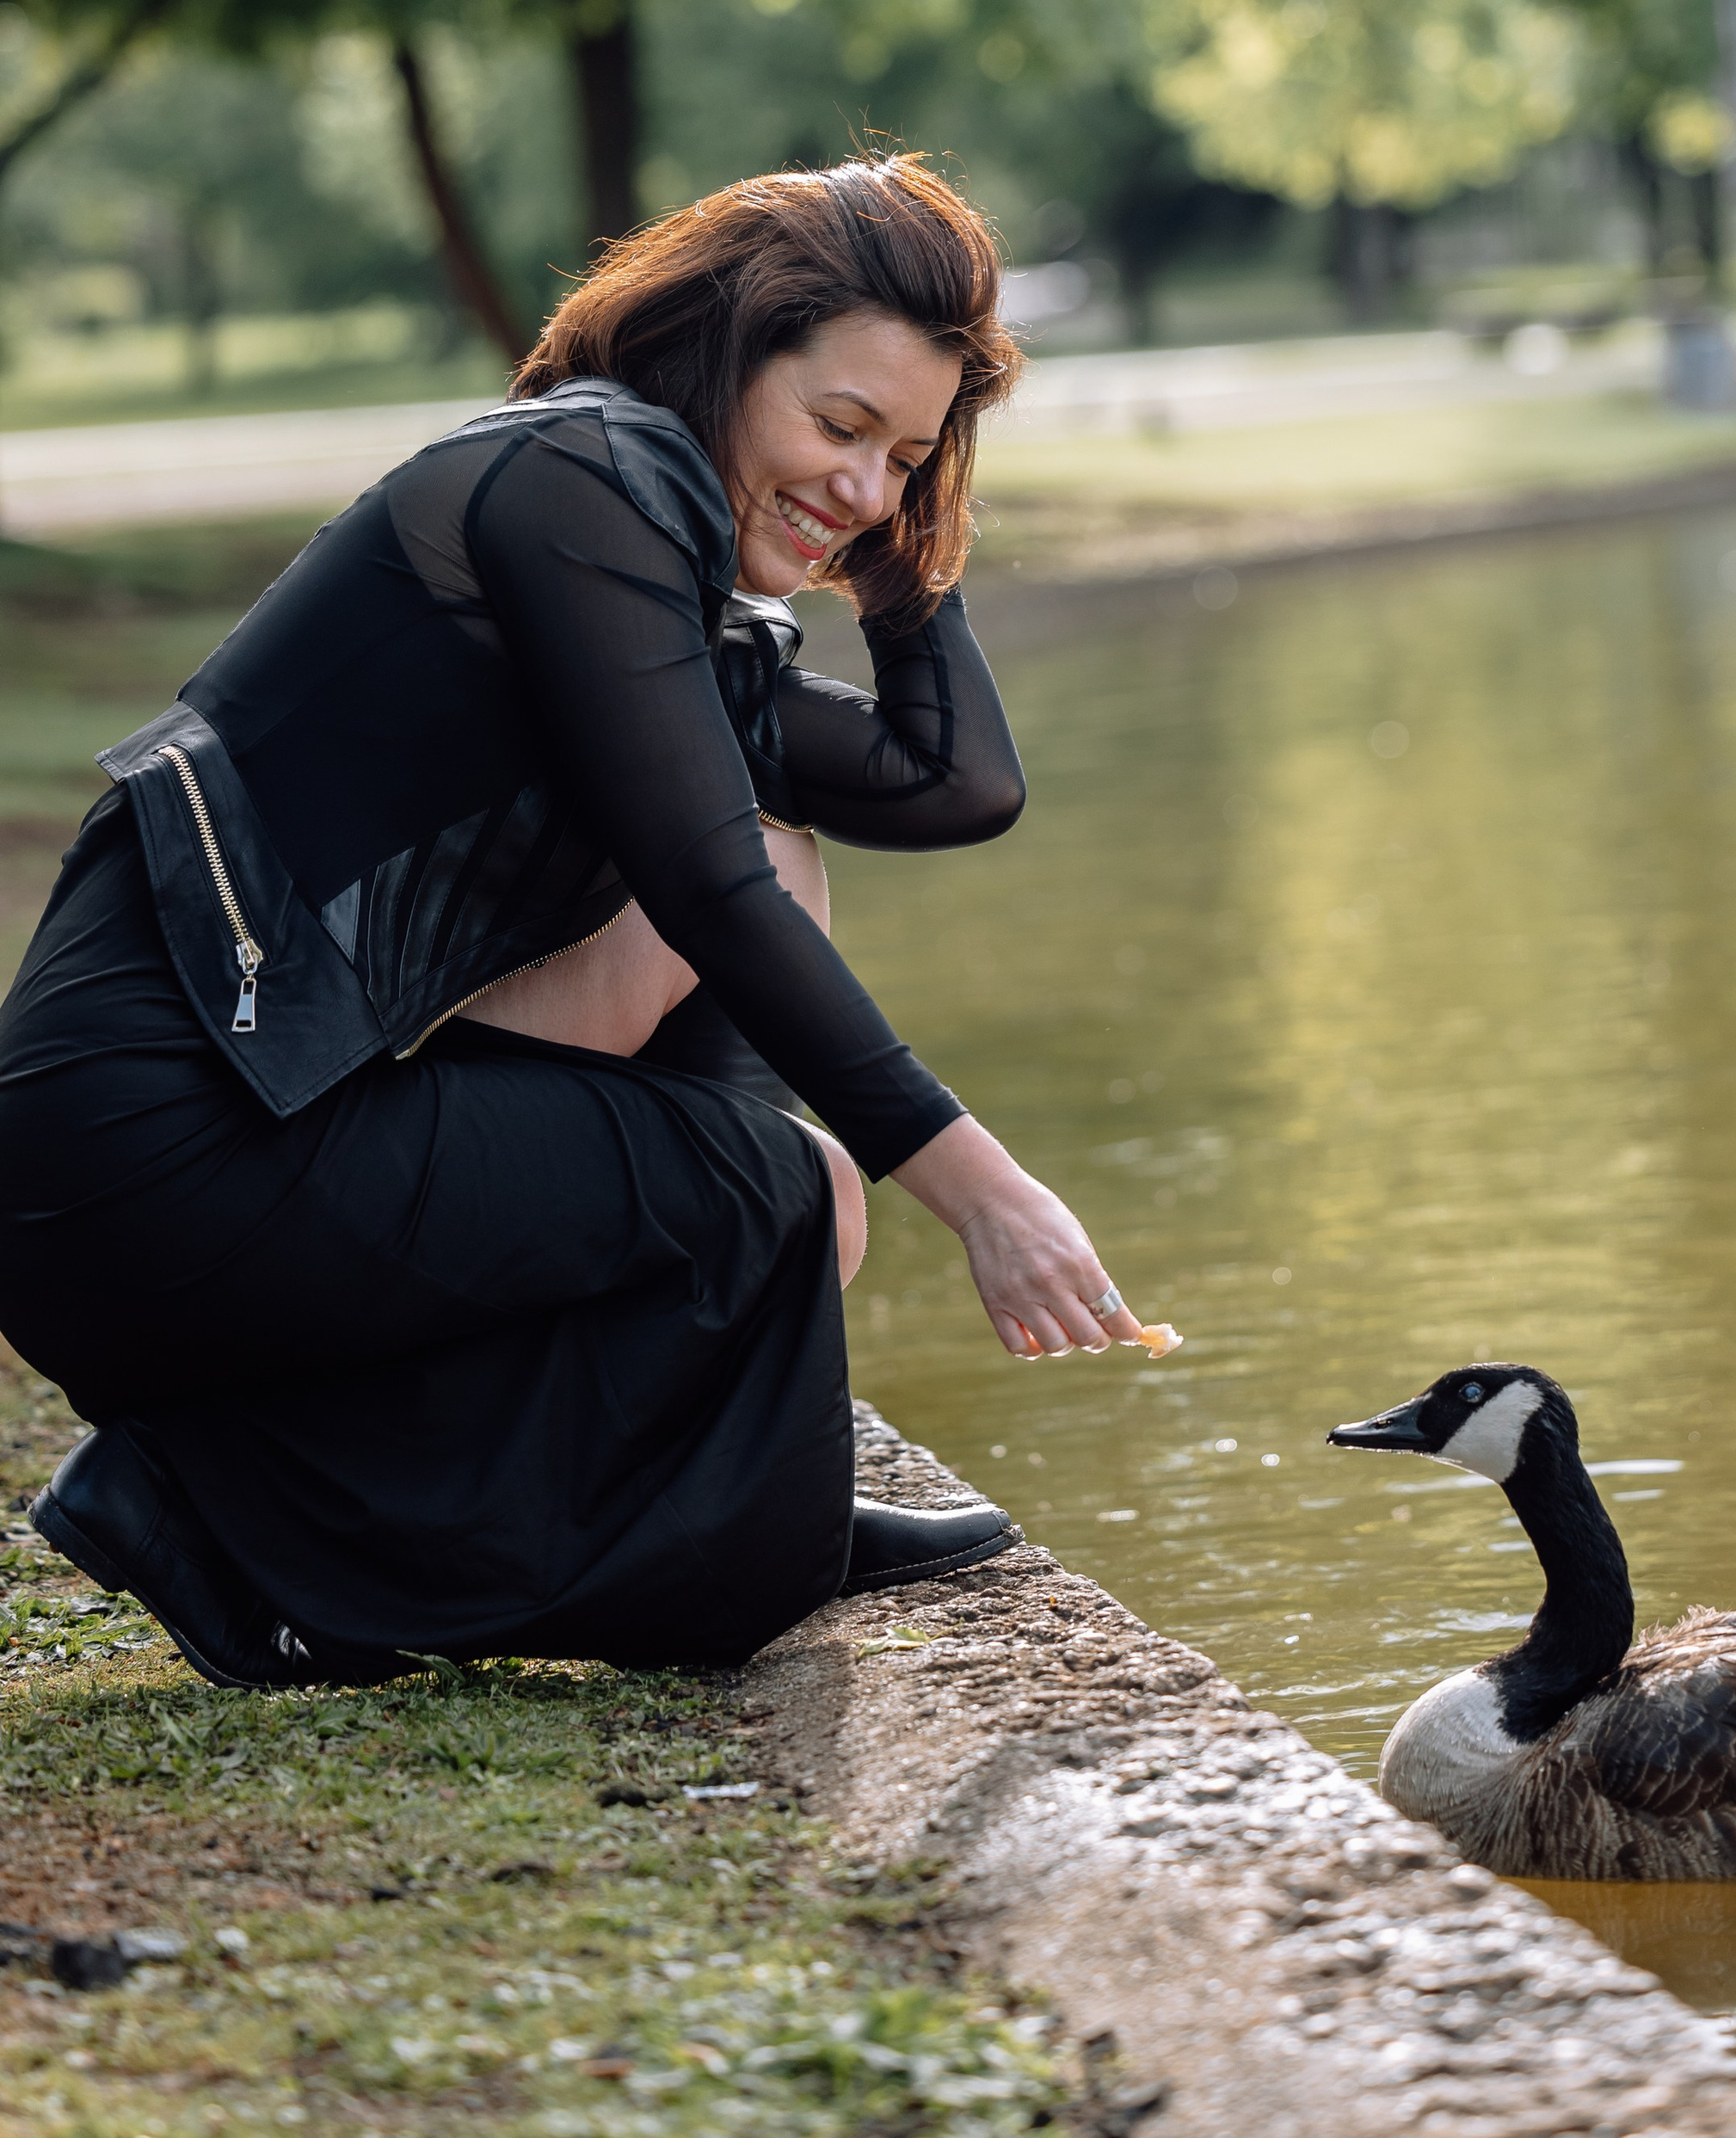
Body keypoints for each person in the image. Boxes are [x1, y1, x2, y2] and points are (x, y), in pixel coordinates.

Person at [0, 153, 1153, 1688]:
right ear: (724, 360)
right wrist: (984, 1188)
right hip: (147, 1159)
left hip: (224, 1162)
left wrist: (900, 544)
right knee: (774, 1188)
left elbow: (951, 782)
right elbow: (704, 892)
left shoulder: (650, 574)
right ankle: (655, 1529)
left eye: (912, 455)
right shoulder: (584, 482)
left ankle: (223, 1499)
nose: (865, 486)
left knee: (775, 933)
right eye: (838, 425)